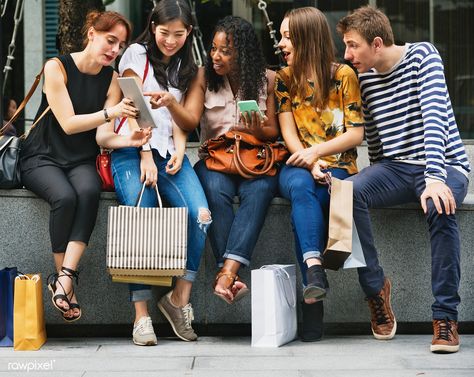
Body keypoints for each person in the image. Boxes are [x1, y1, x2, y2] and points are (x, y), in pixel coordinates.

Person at [337, 6, 470, 353]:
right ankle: (376, 288)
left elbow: (435, 118)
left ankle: (445, 317)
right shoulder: (362, 77)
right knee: (346, 192)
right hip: (396, 168)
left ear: (377, 43)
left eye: (353, 46)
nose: (347, 55)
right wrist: (376, 177)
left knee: (440, 207)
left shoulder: (423, 56)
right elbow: (377, 142)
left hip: (444, 163)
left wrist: (435, 178)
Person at [19, 11, 147, 323]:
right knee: (65, 197)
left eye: (120, 45)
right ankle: (66, 286)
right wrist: (112, 112)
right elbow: (68, 123)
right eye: (110, 40)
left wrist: (130, 141)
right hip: (42, 154)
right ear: (91, 33)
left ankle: (63, 279)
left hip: (80, 157)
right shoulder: (56, 66)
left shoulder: (112, 78)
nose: (114, 50)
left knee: (88, 191)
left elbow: (102, 134)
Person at [97, 0, 211, 346]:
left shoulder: (189, 67)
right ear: (153, 27)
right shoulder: (135, 53)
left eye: (178, 34)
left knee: (202, 215)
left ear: (188, 33)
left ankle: (178, 301)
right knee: (142, 217)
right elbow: (132, 104)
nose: (170, 40)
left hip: (168, 154)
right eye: (164, 33)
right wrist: (144, 152)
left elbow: (181, 121)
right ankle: (141, 316)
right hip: (132, 151)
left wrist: (179, 150)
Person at [275, 7, 364, 342]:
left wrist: (318, 154)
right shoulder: (284, 79)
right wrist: (309, 160)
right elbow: (288, 131)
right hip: (299, 163)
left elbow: (355, 134)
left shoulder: (343, 75)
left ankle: (313, 288)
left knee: (309, 198)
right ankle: (315, 271)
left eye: (287, 36)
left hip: (338, 164)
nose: (281, 43)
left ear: (307, 37)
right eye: (281, 36)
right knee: (301, 185)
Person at [186, 16, 280, 304]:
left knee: (262, 190)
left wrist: (253, 128)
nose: (216, 56)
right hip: (215, 158)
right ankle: (230, 274)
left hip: (255, 158)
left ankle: (226, 273)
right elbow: (189, 119)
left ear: (243, 53)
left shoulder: (268, 79)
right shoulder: (204, 77)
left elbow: (273, 131)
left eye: (225, 51)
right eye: (214, 48)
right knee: (214, 191)